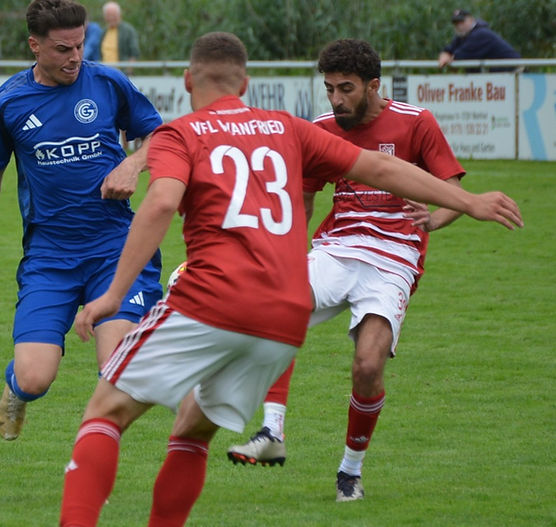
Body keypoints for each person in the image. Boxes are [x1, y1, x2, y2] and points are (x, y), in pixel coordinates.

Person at [59, 31, 521, 526]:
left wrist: (111, 295)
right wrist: (471, 202)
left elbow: (162, 201)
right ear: (247, 81)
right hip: (281, 315)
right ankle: (265, 437)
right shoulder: (287, 128)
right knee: (191, 432)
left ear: (189, 79)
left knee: (105, 414)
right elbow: (381, 168)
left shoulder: (180, 133)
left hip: (216, 296)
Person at [228, 38, 473, 502]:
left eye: (346, 89)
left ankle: (349, 472)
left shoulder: (416, 122)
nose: (336, 99)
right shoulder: (322, 128)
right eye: (329, 89)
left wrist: (434, 220)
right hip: (337, 248)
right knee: (281, 310)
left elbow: (453, 185)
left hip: (395, 258)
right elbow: (303, 195)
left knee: (367, 367)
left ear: (373, 86)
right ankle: (271, 434)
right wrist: (285, 258)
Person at [0, 0, 163, 442]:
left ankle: (89, 462)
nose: (74, 57)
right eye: (62, 49)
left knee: (117, 369)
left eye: (79, 45)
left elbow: (160, 134)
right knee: (35, 379)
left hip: (115, 247)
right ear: (34, 46)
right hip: (50, 255)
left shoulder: (108, 83)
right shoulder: (9, 103)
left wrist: (133, 165)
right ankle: (16, 388)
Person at [438, 9, 520, 71]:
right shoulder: (464, 35)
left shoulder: (481, 34)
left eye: (462, 22)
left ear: (471, 20)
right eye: (456, 24)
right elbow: (448, 50)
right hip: (502, 79)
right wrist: (445, 55)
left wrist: (448, 58)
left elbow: (459, 57)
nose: (459, 26)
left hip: (516, 76)